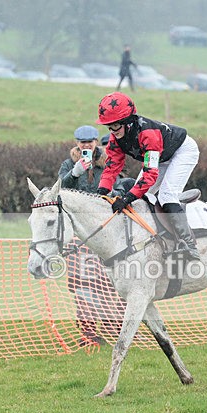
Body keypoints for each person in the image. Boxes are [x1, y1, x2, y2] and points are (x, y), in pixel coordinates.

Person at [95, 91, 202, 261]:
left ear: (127, 122)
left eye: (115, 125)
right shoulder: (116, 138)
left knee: (167, 196)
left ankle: (188, 244)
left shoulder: (148, 134)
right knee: (140, 199)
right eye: (109, 127)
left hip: (182, 151)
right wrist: (101, 191)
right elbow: (112, 166)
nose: (112, 131)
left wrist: (127, 197)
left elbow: (150, 173)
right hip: (161, 156)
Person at [58, 125, 127, 347]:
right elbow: (59, 190)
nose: (86, 145)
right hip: (81, 234)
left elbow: (116, 187)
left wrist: (111, 194)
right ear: (77, 142)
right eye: (82, 142)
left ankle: (113, 328)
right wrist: (75, 173)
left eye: (90, 141)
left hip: (106, 231)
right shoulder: (69, 164)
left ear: (96, 142)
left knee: (109, 282)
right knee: (82, 285)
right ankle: (88, 333)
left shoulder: (107, 161)